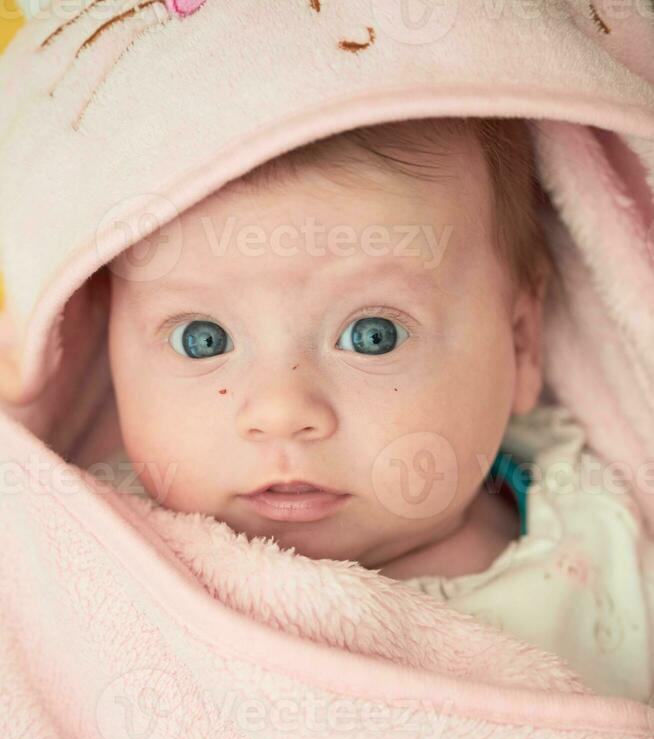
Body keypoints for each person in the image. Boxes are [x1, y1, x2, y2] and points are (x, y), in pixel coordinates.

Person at [99, 115, 653, 702]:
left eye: (373, 335)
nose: (283, 411)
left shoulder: (606, 517)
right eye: (203, 339)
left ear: (520, 343)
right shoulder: (109, 570)